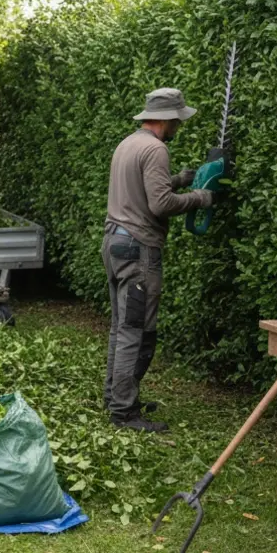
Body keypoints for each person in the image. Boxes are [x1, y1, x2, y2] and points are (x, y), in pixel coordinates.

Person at [103, 88, 216, 432]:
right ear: (167, 120)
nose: (179, 127)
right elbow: (160, 205)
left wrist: (178, 180)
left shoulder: (129, 144)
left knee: (121, 328)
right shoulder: (156, 149)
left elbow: (144, 188)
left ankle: (117, 397)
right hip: (139, 249)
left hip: (115, 241)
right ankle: (124, 412)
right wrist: (199, 197)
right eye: (178, 121)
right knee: (137, 333)